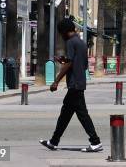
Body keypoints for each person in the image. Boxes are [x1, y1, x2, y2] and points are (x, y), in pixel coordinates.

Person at [39, 18, 102, 152]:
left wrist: (56, 81)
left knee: (82, 115)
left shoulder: (70, 42)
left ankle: (95, 142)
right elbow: (81, 64)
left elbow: (70, 64)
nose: (60, 36)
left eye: (60, 33)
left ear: (64, 31)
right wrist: (64, 60)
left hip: (75, 84)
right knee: (66, 114)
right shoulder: (81, 43)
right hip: (79, 82)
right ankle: (54, 141)